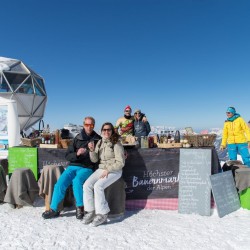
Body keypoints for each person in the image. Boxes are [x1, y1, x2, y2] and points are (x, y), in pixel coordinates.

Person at [42, 116, 101, 219]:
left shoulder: (98, 139)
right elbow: (68, 155)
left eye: (91, 125)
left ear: (94, 125)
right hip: (73, 166)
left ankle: (80, 208)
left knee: (77, 181)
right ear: (84, 125)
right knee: (60, 184)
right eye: (87, 124)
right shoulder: (77, 138)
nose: (89, 127)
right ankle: (54, 209)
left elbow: (100, 156)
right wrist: (77, 154)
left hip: (87, 167)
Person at [82, 122, 125, 226]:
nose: (106, 131)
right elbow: (94, 160)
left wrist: (108, 169)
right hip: (102, 169)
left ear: (112, 131)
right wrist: (92, 150)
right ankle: (90, 211)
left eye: (108, 129)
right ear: (102, 131)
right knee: (86, 185)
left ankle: (102, 213)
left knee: (98, 186)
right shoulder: (100, 142)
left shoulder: (117, 143)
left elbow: (121, 163)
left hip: (115, 171)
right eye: (104, 130)